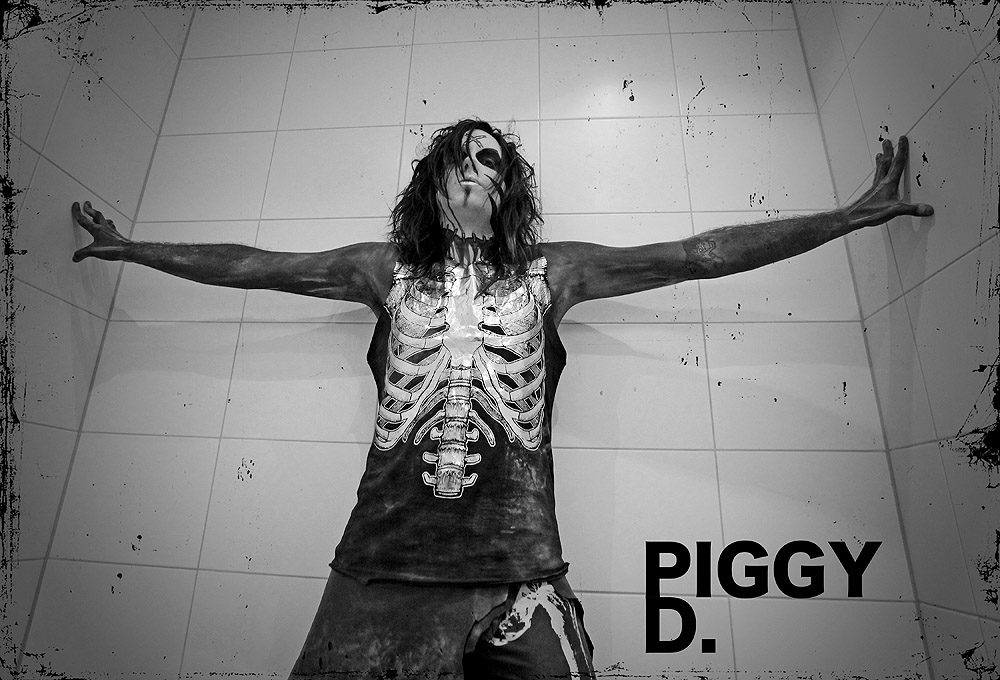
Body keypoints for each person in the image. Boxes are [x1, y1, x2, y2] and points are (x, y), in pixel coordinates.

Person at [71, 119, 933, 679]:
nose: (476, 169)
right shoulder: (380, 269)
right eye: (461, 157)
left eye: (492, 159)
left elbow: (696, 255)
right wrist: (136, 249)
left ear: (508, 189)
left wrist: (844, 218)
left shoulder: (556, 272)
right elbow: (256, 267)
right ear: (433, 184)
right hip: (379, 568)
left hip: (522, 575)